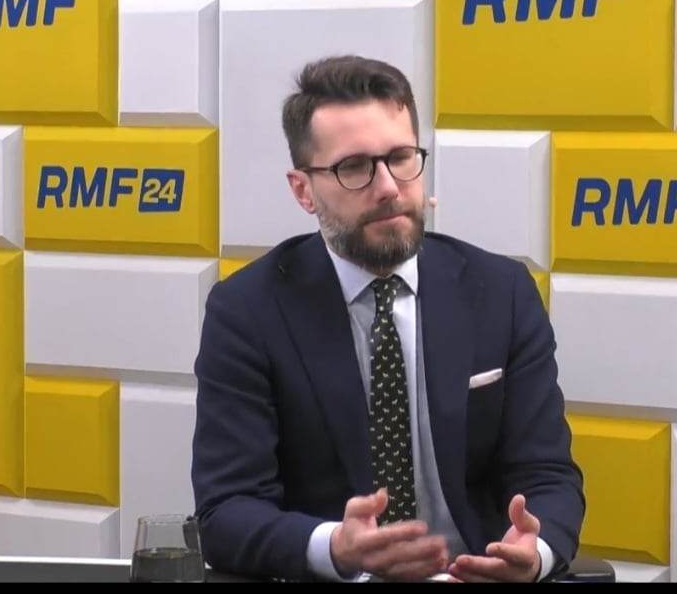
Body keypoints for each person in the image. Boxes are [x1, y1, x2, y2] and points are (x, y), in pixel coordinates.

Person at [191, 55, 584, 582]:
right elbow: (227, 509)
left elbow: (548, 475)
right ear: (303, 189)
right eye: (354, 168)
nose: (388, 187)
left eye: (401, 158)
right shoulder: (248, 311)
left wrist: (535, 554)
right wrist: (336, 547)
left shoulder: (501, 292)